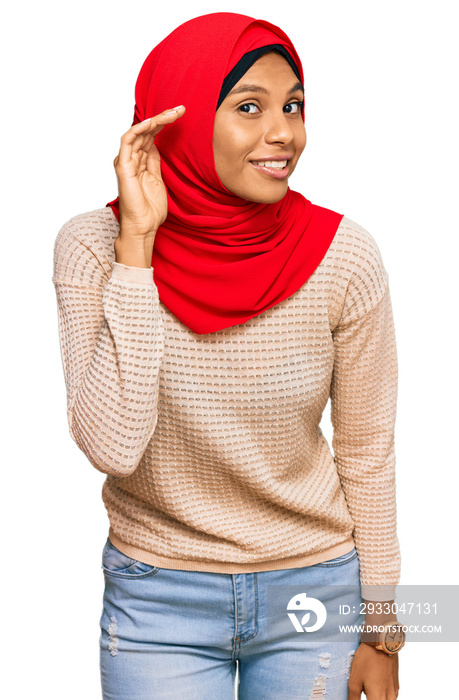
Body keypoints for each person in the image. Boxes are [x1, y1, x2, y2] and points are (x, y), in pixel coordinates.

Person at [53, 12, 402, 699]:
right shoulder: (91, 246)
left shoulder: (344, 255)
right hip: (157, 600)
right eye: (249, 107)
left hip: (316, 592)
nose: (284, 134)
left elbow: (368, 450)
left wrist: (386, 629)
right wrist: (138, 250)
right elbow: (111, 447)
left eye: (293, 106)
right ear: (169, 123)